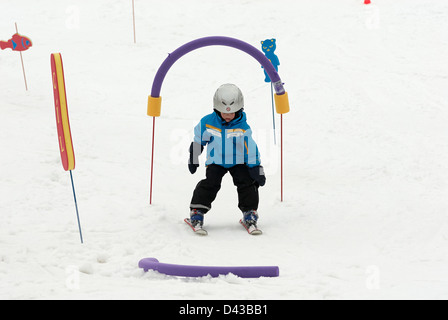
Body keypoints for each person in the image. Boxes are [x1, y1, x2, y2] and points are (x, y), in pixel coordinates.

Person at [187, 84, 266, 234]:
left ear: (240, 109)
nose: (228, 116)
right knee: (210, 184)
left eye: (232, 112)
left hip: (239, 161)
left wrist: (256, 167)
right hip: (216, 161)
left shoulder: (243, 126)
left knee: (247, 183)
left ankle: (249, 213)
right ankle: (197, 212)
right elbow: (199, 139)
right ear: (216, 109)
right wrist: (194, 155)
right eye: (223, 113)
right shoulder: (207, 122)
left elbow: (250, 147)